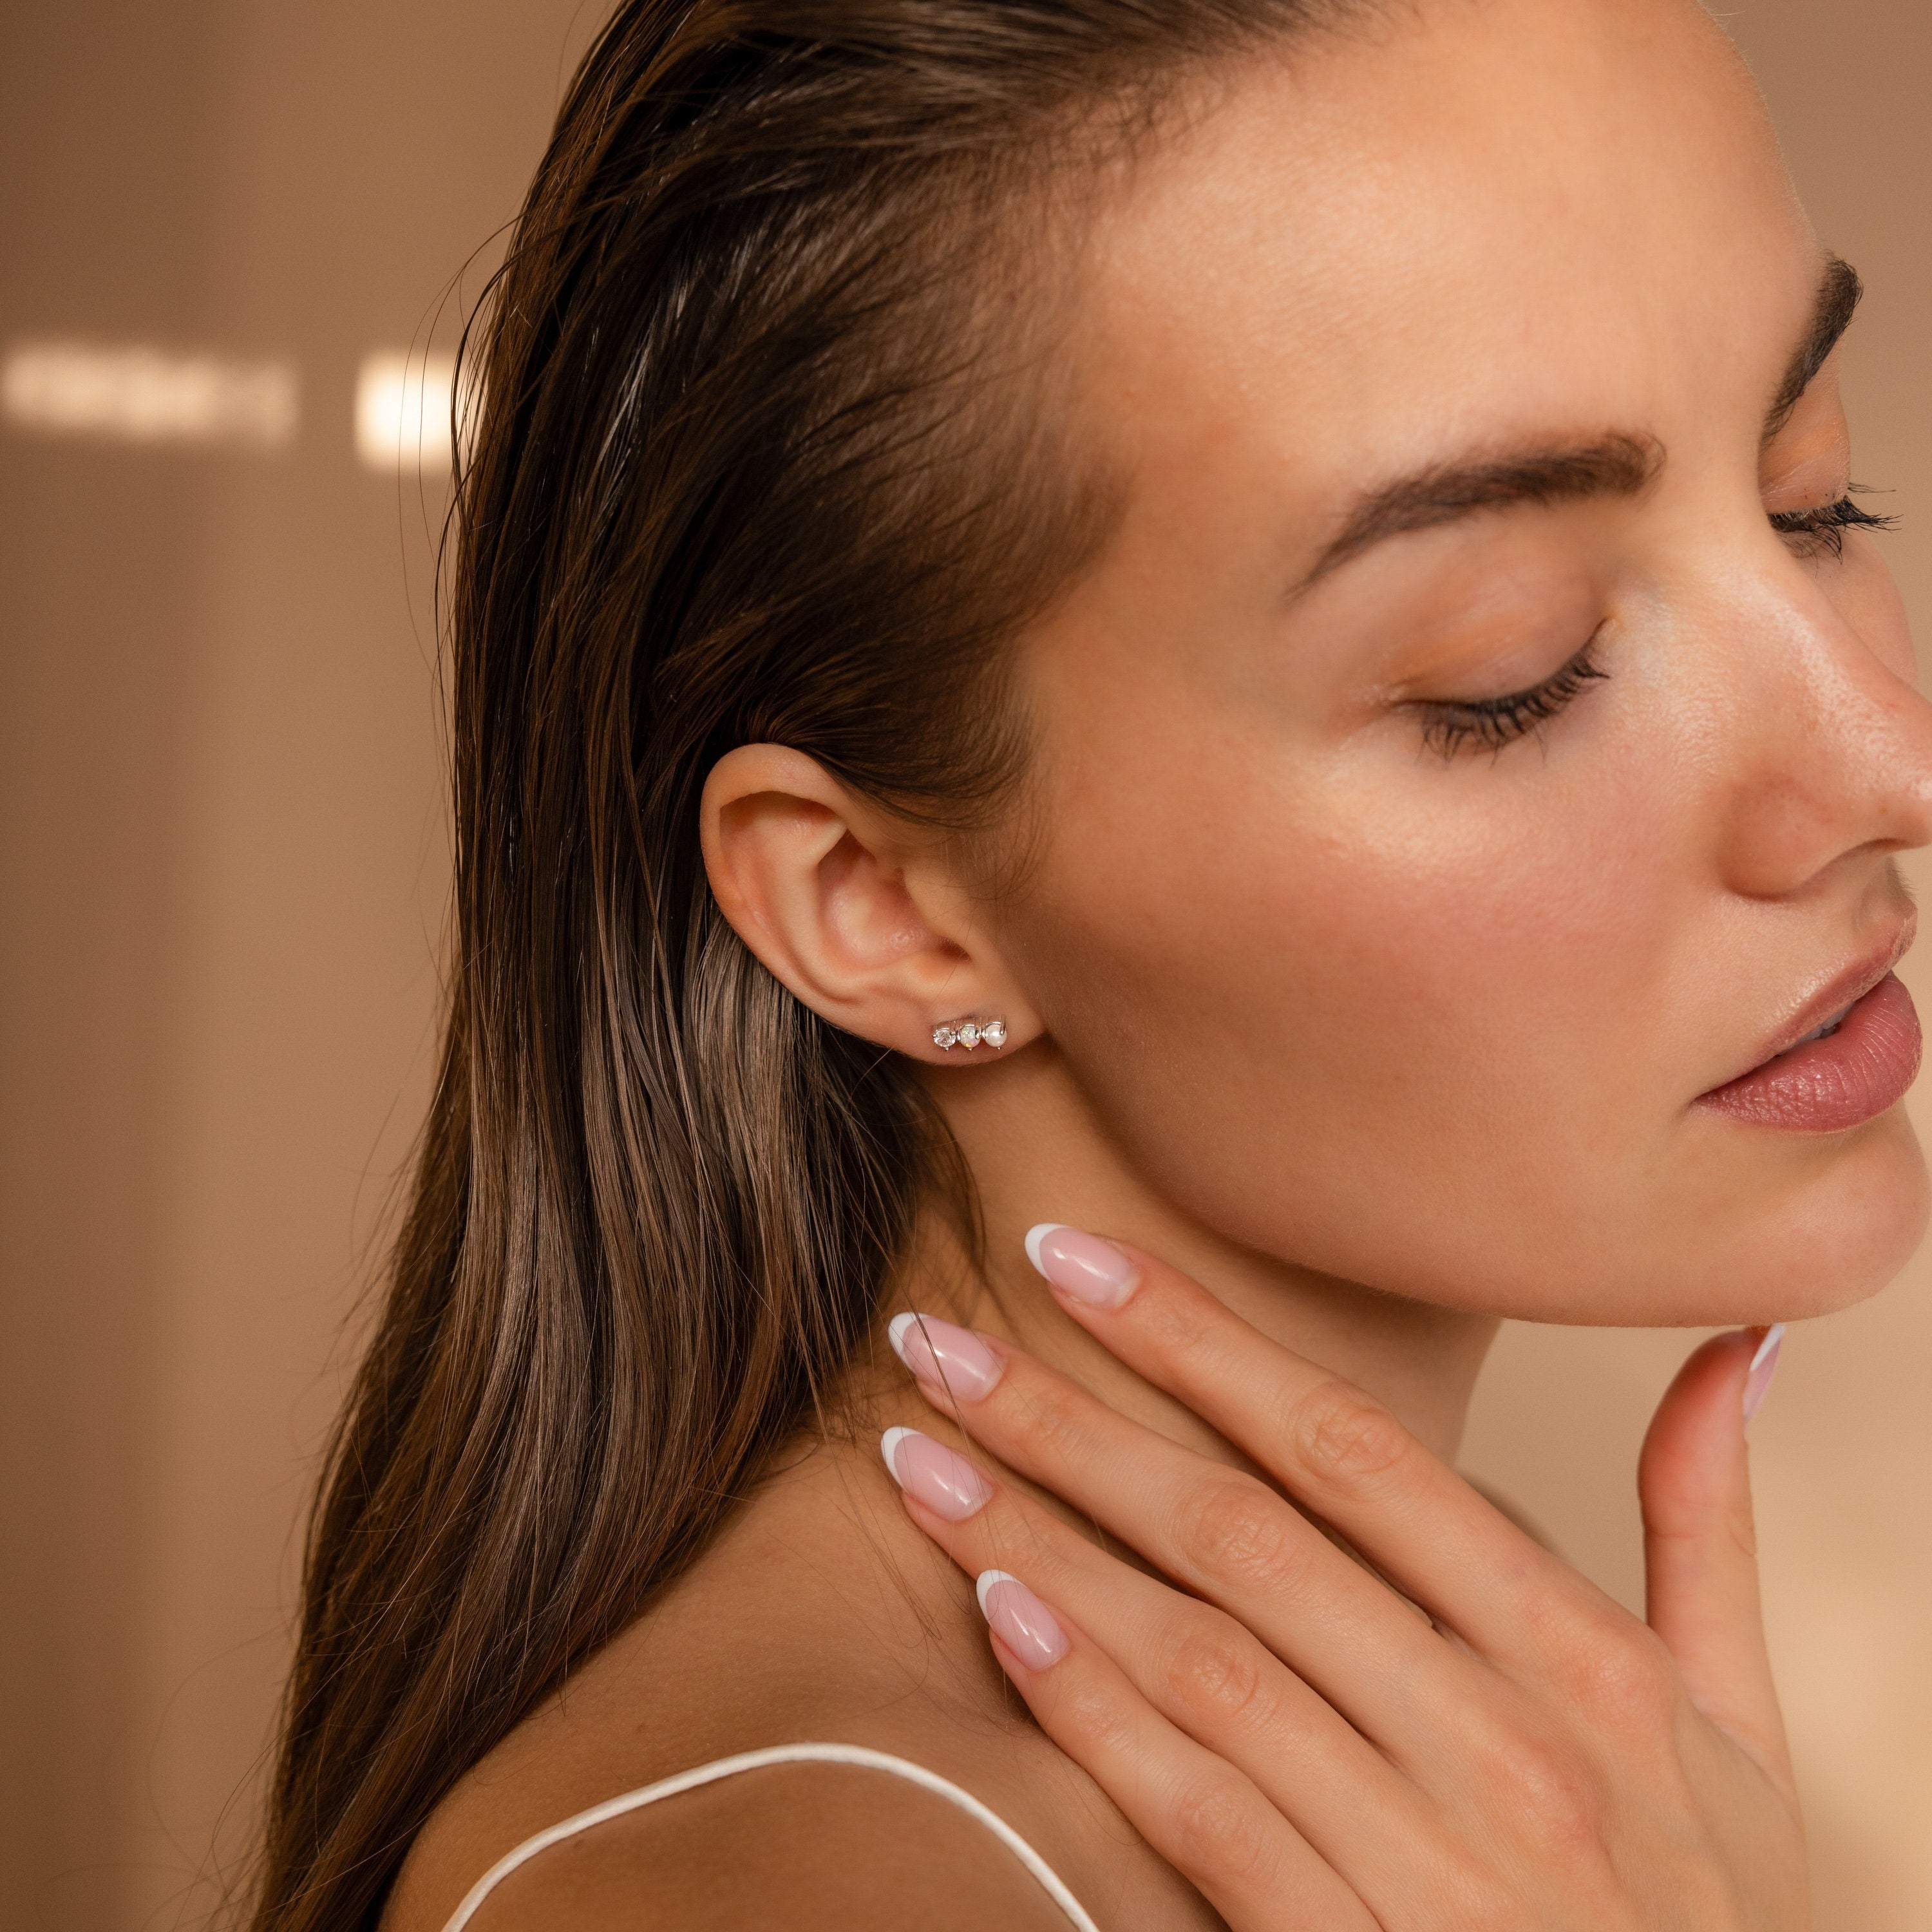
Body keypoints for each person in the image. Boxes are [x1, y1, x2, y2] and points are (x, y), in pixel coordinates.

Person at [249, 0, 1931, 1924]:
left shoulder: (1473, 1762)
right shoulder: (782, 1888)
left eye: (1818, 498)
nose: (1890, 760)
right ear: (881, 902)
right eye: (1513, 670)